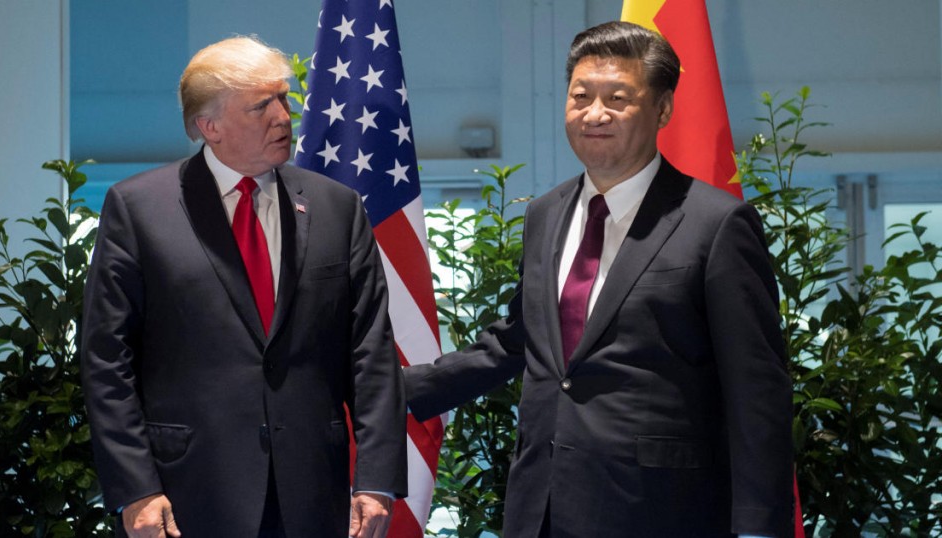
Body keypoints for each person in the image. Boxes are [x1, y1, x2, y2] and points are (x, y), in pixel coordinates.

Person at [405, 21, 793, 538]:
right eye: (581, 96)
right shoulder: (545, 214)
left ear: (663, 110)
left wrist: (760, 526)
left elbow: (757, 388)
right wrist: (394, 388)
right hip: (540, 507)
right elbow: (520, 339)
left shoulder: (716, 223)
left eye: (617, 98)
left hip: (660, 513)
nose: (594, 113)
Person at [81, 35, 407, 538]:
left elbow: (371, 352)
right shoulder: (139, 209)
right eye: (261, 106)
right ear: (209, 126)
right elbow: (107, 360)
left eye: (283, 99)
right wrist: (135, 488)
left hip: (314, 493)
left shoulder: (337, 207)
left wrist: (376, 480)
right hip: (186, 495)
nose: (283, 116)